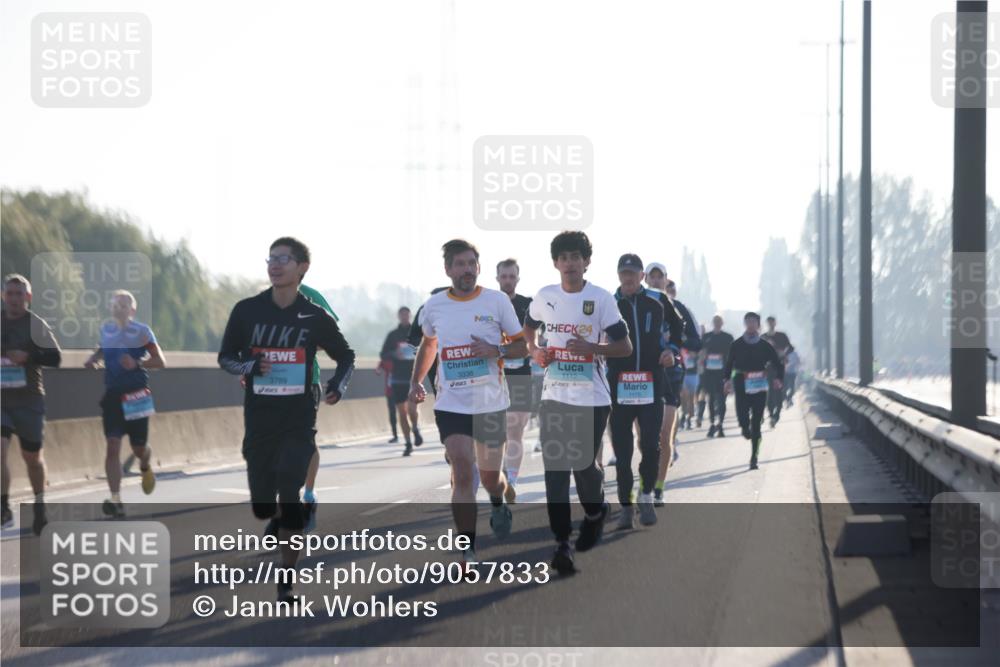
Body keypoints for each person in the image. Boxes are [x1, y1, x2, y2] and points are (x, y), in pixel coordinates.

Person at [218, 237, 355, 603]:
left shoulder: (314, 312)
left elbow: (345, 353)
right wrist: (248, 366)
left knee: (289, 488)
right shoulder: (247, 310)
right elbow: (226, 357)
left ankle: (287, 580)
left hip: (300, 407)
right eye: (271, 258)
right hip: (260, 412)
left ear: (301, 267)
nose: (275, 264)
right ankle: (276, 512)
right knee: (264, 504)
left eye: (283, 258)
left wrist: (338, 384)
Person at [409, 240, 526, 567]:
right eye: (459, 264)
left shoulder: (497, 301)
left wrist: (496, 350)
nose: (467, 270)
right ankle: (468, 551)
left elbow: (523, 347)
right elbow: (429, 344)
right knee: (461, 473)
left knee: (490, 479)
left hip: (490, 404)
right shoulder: (434, 306)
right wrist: (416, 381)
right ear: (448, 269)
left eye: (471, 263)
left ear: (479, 267)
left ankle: (498, 499)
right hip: (452, 405)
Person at [524, 231, 632, 575]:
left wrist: (593, 349)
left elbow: (625, 347)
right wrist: (534, 350)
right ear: (555, 263)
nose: (569, 263)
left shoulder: (601, 299)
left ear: (586, 262)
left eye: (575, 257)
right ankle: (562, 543)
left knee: (583, 463)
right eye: (563, 258)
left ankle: (596, 510)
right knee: (556, 469)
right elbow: (528, 326)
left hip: (593, 397)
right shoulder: (545, 296)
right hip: (554, 395)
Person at [608, 254, 678, 529]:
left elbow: (680, 328)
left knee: (651, 445)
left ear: (641, 276)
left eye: (632, 273)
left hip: (651, 384)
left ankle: (646, 495)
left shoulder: (658, 300)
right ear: (618, 275)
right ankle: (626, 506)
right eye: (623, 273)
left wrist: (671, 351)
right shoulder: (608, 304)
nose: (628, 278)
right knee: (622, 452)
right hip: (619, 387)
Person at [83, 290, 165, 518]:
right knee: (112, 446)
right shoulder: (106, 330)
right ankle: (116, 499)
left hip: (136, 395)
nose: (119, 308)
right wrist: (94, 358)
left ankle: (145, 464)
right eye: (115, 305)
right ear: (111, 308)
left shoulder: (143, 332)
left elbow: (160, 361)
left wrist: (137, 363)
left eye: (123, 305)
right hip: (113, 396)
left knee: (139, 449)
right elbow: (102, 349)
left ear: (132, 310)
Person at [1, 274, 62, 534]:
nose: (14, 299)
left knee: (33, 459)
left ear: (28, 297)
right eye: (10, 294)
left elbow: (55, 358)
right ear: (3, 296)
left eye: (19, 294)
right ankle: (3, 507)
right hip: (2, 400)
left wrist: (28, 356)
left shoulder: (35, 324)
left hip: (29, 400)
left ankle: (39, 506)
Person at [723, 312, 784, 470]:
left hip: (759, 384)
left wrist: (778, 378)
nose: (751, 324)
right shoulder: (736, 344)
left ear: (758, 325)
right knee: (743, 417)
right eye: (748, 321)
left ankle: (754, 457)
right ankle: (745, 428)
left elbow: (777, 363)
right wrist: (727, 380)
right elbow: (729, 363)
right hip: (741, 383)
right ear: (745, 324)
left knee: (756, 422)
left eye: (754, 321)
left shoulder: (765, 345)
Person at [496, 259, 533, 502]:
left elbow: (538, 337)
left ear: (517, 279)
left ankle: (511, 480)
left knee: (515, 430)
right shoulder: (489, 303)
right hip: (495, 376)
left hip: (521, 375)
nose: (508, 280)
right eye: (504, 276)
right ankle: (498, 473)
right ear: (497, 278)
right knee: (498, 433)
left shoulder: (529, 305)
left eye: (512, 276)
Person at [380, 307, 422, 456]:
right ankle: (408, 443)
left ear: (410, 316)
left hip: (413, 377)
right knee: (402, 413)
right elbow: (383, 354)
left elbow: (428, 350)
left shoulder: (417, 333)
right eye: (402, 314)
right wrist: (394, 353)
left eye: (407, 314)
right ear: (398, 316)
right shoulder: (393, 335)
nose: (404, 317)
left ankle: (415, 427)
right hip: (397, 378)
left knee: (412, 409)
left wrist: (417, 353)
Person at [666, 280, 702, 431]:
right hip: (648, 368)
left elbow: (696, 341)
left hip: (677, 366)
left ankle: (682, 423)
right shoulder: (641, 303)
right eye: (667, 289)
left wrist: (677, 340)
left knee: (680, 398)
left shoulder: (681, 308)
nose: (669, 293)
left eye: (671, 290)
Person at [700, 315, 734, 438]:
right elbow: (701, 352)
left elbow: (732, 356)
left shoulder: (728, 337)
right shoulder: (706, 337)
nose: (717, 323)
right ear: (713, 323)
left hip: (723, 373)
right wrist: (702, 361)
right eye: (715, 321)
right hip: (709, 373)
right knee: (711, 398)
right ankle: (712, 423)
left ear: (722, 323)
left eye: (719, 321)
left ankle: (720, 424)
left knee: (721, 400)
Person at [761, 316, 792, 428]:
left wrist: (783, 353)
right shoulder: (763, 337)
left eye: (772, 323)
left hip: (779, 366)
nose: (771, 325)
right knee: (769, 391)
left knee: (779, 391)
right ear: (767, 324)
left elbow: (790, 348)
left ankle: (777, 413)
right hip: (768, 367)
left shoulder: (782, 336)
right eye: (769, 323)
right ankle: (771, 415)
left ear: (775, 323)